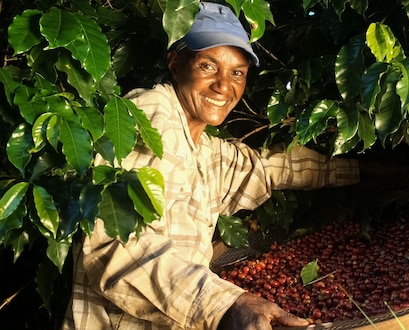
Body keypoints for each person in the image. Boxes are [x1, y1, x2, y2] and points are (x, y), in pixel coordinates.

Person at [62, 2, 361, 329]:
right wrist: (228, 304)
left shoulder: (202, 150)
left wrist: (367, 172)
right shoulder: (152, 116)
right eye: (208, 66)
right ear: (176, 64)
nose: (223, 86)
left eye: (237, 73)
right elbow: (119, 249)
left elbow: (268, 168)